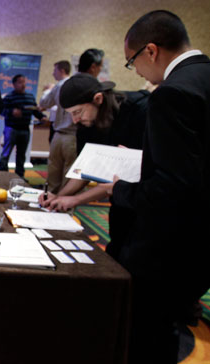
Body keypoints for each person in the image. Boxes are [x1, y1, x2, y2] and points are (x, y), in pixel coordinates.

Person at [105, 10, 210, 364]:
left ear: (151, 51)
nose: (135, 72)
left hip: (169, 248)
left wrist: (119, 191)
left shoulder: (172, 94)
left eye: (132, 62)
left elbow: (174, 187)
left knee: (146, 338)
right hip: (200, 247)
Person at [38, 73, 149, 212]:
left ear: (98, 99)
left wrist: (76, 199)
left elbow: (123, 177)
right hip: (118, 201)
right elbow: (85, 170)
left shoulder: (139, 111)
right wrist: (58, 197)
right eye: (71, 114)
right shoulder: (86, 124)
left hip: (146, 200)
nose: (75, 120)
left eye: (77, 112)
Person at [0, 74, 47, 178]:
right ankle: (2, 175)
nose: (23, 84)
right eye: (20, 82)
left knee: (21, 155)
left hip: (25, 130)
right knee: (6, 153)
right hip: (11, 129)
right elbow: (1, 111)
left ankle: (19, 177)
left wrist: (42, 117)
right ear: (14, 84)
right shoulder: (9, 97)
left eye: (24, 82)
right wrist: (12, 111)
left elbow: (35, 111)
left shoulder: (30, 97)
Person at [39, 60, 77, 193]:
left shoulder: (59, 86)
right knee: (68, 176)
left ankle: (49, 205)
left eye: (54, 70)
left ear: (61, 71)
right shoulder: (76, 85)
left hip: (58, 135)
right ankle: (64, 209)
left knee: (53, 176)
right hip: (73, 137)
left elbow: (44, 102)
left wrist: (48, 90)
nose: (52, 73)